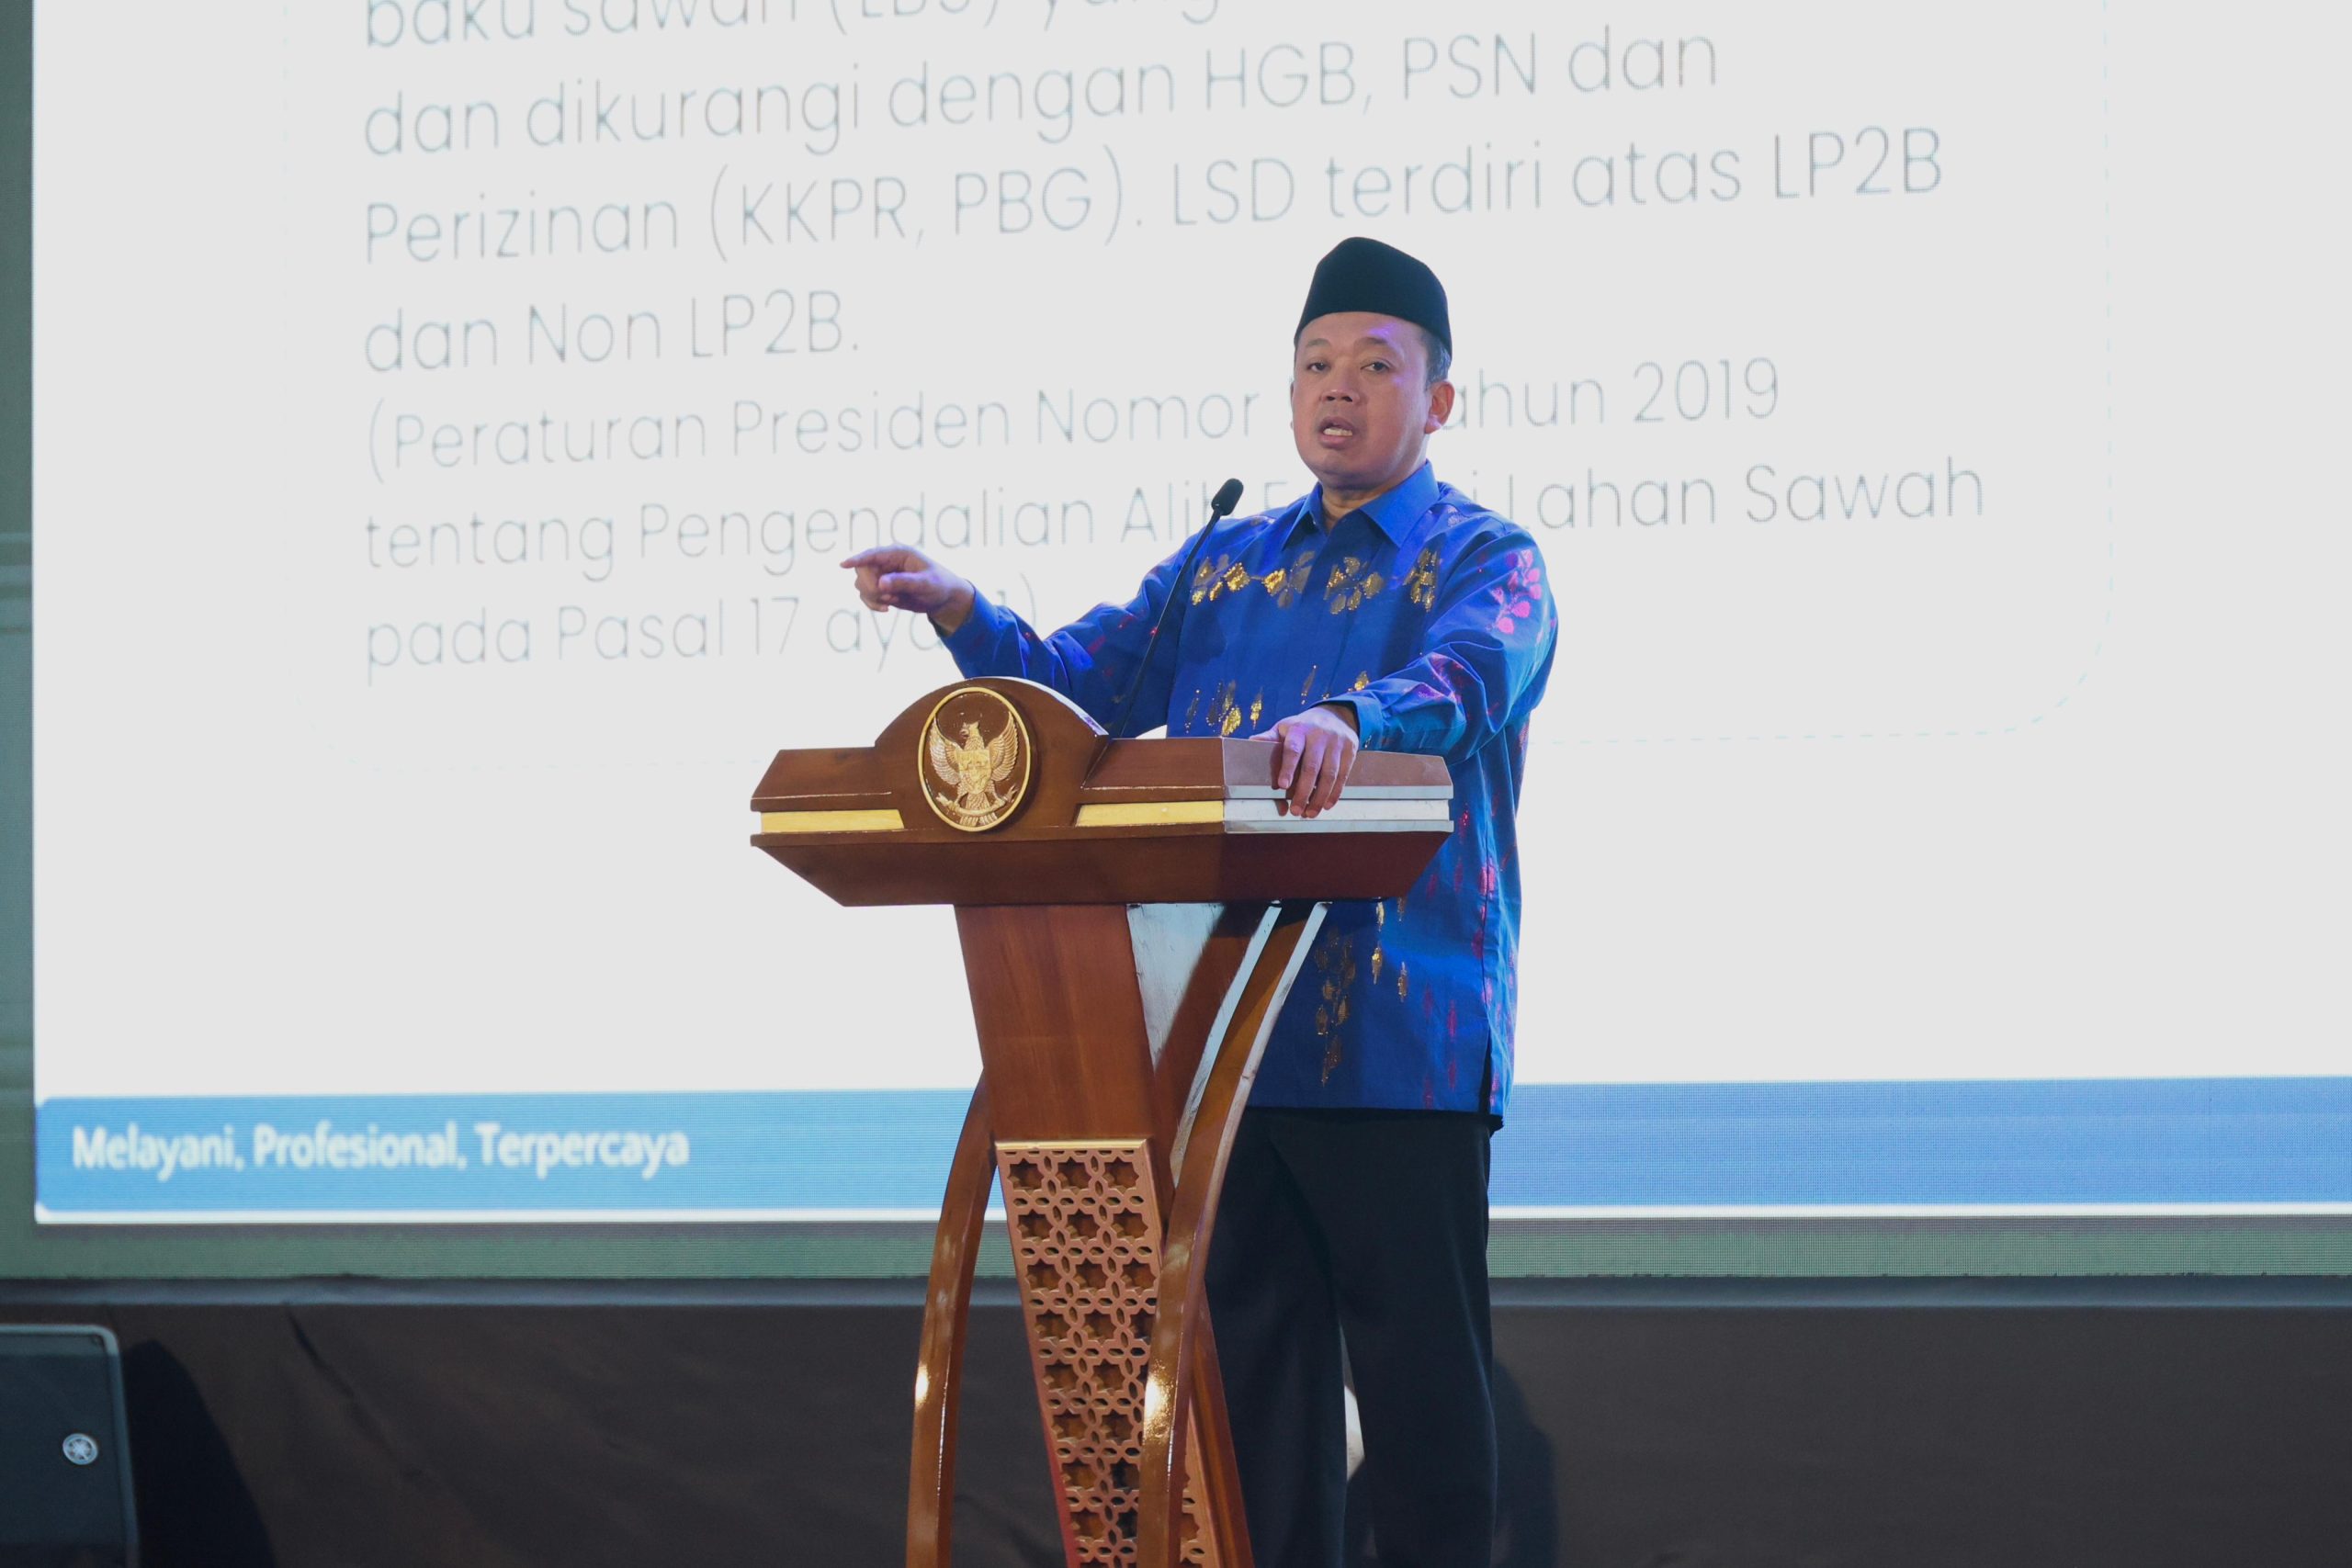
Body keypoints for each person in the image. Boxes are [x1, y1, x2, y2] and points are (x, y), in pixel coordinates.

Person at [845, 236, 1558, 1568]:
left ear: (1440, 400)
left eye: (1374, 366)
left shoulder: (1485, 558)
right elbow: (1078, 689)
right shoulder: (1222, 564)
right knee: (1256, 1424)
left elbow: (1470, 678)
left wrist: (1353, 720)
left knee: (1422, 1413)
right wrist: (964, 615)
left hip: (1399, 1044)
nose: (1337, 388)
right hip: (1222, 1054)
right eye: (1314, 364)